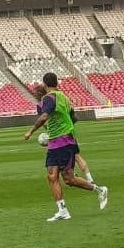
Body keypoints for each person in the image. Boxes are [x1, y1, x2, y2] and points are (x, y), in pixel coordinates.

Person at [23, 73, 109, 221]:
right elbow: (73, 117)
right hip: (58, 141)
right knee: (51, 176)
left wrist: (30, 132)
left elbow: (44, 117)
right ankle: (62, 211)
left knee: (69, 179)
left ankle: (100, 189)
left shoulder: (49, 98)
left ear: (45, 84)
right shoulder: (64, 97)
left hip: (62, 142)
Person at [32, 84, 96, 184]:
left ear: (39, 94)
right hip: (68, 132)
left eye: (35, 94)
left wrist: (50, 133)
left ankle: (75, 177)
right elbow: (72, 115)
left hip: (58, 136)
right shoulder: (57, 99)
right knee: (76, 156)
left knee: (62, 158)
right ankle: (89, 178)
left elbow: (44, 122)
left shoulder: (41, 105)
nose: (34, 96)